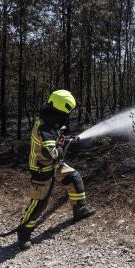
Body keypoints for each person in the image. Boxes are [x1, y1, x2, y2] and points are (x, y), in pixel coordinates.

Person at [17, 89, 95, 249]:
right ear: (60, 110)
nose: (67, 116)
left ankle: (79, 209)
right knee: (39, 203)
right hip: (41, 169)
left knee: (74, 177)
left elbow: (55, 140)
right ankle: (23, 234)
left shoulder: (50, 122)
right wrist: (60, 147)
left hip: (53, 164)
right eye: (67, 113)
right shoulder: (44, 127)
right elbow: (49, 151)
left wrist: (65, 139)